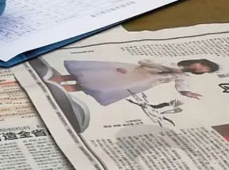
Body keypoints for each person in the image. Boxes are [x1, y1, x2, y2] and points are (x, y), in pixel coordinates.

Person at [50, 57, 219, 105]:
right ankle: (52, 82)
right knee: (89, 76)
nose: (200, 68)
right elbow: (144, 62)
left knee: (93, 85)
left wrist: (187, 92)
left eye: (205, 70)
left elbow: (181, 85)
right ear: (197, 61)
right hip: (130, 72)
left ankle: (56, 91)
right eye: (202, 65)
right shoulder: (172, 63)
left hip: (139, 82)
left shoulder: (183, 76)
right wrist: (164, 67)